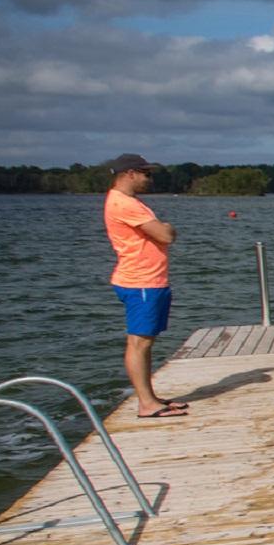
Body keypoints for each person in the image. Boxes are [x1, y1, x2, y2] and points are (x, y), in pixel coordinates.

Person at [102, 153, 187, 419]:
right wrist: (168, 227)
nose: (149, 179)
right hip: (140, 280)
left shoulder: (129, 202)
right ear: (130, 174)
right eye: (146, 174)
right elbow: (164, 235)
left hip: (149, 279)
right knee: (139, 342)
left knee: (145, 342)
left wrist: (163, 228)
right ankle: (146, 404)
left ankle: (149, 397)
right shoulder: (125, 204)